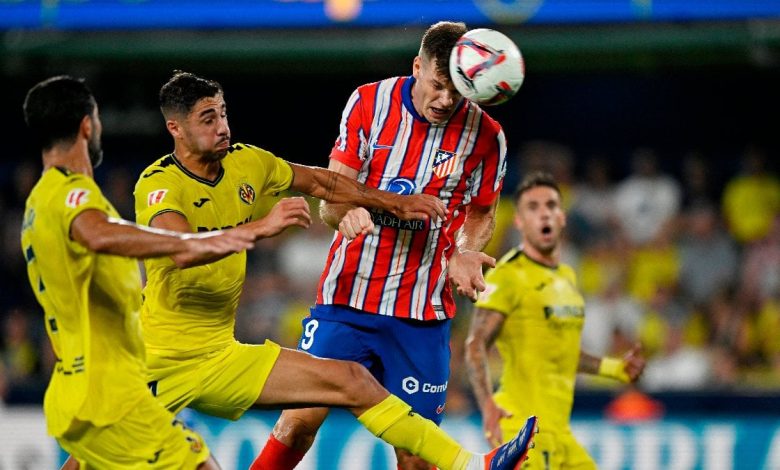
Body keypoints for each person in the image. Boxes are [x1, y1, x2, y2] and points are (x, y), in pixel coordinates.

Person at [134, 70, 538, 470]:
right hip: (159, 361)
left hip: (222, 355)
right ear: (176, 128)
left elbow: (323, 184)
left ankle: (473, 465)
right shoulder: (159, 183)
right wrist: (260, 228)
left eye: (223, 113)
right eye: (208, 119)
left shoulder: (247, 161)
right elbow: (180, 248)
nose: (223, 127)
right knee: (107, 457)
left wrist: (394, 203)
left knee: (352, 382)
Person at [258, 20, 518, 470]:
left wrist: (463, 251)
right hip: (348, 298)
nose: (446, 100)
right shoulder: (368, 102)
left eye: (457, 90)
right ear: (417, 67)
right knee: (299, 421)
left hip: (422, 312)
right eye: (437, 85)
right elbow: (332, 196)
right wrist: (345, 213)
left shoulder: (487, 136)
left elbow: (481, 212)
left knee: (416, 457)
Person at [19, 76, 259, 469]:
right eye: (97, 118)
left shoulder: (37, 203)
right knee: (199, 463)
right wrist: (192, 243)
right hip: (106, 388)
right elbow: (97, 233)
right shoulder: (69, 193)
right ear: (86, 125)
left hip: (79, 387)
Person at [465, 172, 646, 469]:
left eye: (550, 205)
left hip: (560, 433)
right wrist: (487, 405)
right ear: (519, 222)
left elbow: (562, 352)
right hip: (521, 428)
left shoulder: (567, 276)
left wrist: (615, 368)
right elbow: (475, 344)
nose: (544, 213)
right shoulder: (507, 276)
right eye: (533, 207)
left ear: (562, 217)